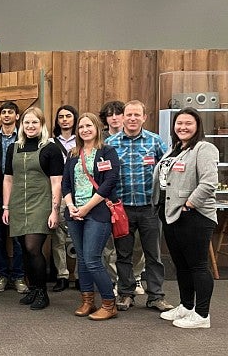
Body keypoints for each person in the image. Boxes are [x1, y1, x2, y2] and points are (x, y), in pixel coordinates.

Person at [153, 107, 218, 329]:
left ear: (198, 126)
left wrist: (189, 205)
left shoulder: (204, 148)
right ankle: (186, 306)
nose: (183, 127)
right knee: (181, 265)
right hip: (171, 214)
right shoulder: (175, 149)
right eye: (179, 123)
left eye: (188, 123)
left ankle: (202, 315)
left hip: (194, 215)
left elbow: (209, 183)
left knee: (198, 265)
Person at [105, 100, 173, 313]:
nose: (132, 118)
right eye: (129, 115)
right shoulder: (110, 143)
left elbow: (168, 170)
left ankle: (156, 296)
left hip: (149, 209)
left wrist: (164, 200)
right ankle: (126, 294)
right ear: (123, 117)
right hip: (122, 208)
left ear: (144, 117)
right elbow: (104, 175)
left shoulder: (156, 142)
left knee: (153, 254)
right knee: (123, 254)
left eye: (137, 115)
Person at [2, 107, 63, 310]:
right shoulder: (14, 148)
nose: (30, 126)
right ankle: (33, 289)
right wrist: (6, 207)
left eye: (34, 122)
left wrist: (55, 210)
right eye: (27, 122)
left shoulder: (50, 148)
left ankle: (42, 292)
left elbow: (56, 182)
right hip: (18, 203)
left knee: (32, 248)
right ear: (22, 124)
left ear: (42, 125)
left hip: (41, 203)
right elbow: (8, 180)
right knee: (24, 250)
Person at [62, 113, 120, 320]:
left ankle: (108, 303)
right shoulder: (72, 154)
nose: (84, 130)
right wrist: (70, 206)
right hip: (74, 213)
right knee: (83, 260)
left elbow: (109, 182)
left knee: (93, 258)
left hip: (97, 211)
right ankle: (87, 300)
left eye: (89, 126)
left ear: (97, 128)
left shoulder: (108, 152)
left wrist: (86, 207)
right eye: (81, 127)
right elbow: (65, 184)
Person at [100, 100, 146, 297]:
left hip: (142, 203)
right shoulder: (106, 144)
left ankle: (135, 278)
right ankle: (116, 279)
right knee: (112, 246)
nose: (115, 117)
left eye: (119, 113)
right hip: (114, 203)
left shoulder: (151, 140)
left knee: (137, 245)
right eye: (111, 114)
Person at [0, 101, 27, 294]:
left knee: (18, 238)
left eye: (11, 112)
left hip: (19, 193)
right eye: (4, 112)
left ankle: (19, 276)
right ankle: (2, 275)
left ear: (17, 116)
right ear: (0, 116)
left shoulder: (25, 138)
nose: (7, 115)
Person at [50, 105, 78, 292]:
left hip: (80, 192)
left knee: (77, 237)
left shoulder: (83, 139)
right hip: (59, 191)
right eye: (61, 117)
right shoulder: (51, 142)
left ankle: (80, 276)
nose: (65, 120)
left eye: (68, 116)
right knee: (58, 236)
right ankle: (62, 275)